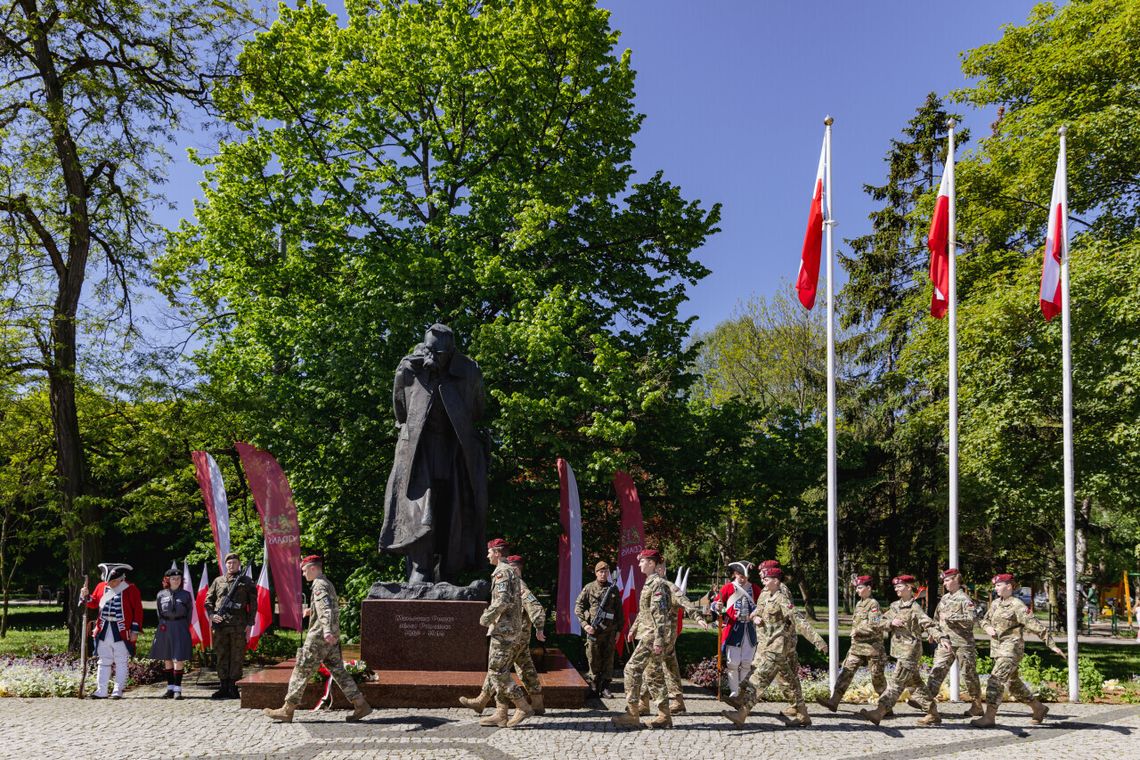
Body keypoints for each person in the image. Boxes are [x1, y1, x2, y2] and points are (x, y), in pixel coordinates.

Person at [379, 324, 488, 583]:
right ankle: (421, 569)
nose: (432, 357)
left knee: (454, 508)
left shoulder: (469, 371)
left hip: (454, 449)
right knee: (419, 509)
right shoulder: (408, 369)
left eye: (439, 353)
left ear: (451, 352)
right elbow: (400, 410)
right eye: (428, 350)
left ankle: (450, 570)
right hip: (419, 450)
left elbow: (477, 408)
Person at [265, 555, 373, 723]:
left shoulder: (319, 585)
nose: (303, 574)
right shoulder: (326, 583)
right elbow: (327, 607)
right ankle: (360, 704)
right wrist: (312, 612)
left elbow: (326, 610)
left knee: (301, 670)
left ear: (313, 568)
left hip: (319, 637)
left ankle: (287, 710)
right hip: (330, 638)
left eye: (304, 570)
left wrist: (327, 630)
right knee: (339, 671)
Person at [721, 566, 826, 728]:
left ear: (776, 581)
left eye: (766, 578)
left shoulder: (781, 598)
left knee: (759, 679)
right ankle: (803, 714)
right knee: (789, 680)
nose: (762, 580)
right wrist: (754, 617)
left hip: (777, 647)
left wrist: (818, 641)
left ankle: (741, 714)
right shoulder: (767, 595)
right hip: (767, 644)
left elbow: (798, 620)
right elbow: (758, 610)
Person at [461, 554, 547, 722]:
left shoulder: (519, 586)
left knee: (499, 670)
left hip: (513, 636)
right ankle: (534, 703)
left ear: (515, 569)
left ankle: (500, 707)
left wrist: (539, 627)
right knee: (521, 668)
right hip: (518, 635)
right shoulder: (516, 583)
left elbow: (536, 607)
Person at [856, 574, 951, 726]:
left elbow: (929, 624)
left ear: (909, 588)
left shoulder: (915, 607)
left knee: (896, 682)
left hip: (911, 651)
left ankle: (879, 712)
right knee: (916, 685)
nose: (896, 589)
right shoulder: (895, 606)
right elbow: (876, 620)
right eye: (895, 587)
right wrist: (890, 623)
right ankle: (933, 713)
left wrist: (942, 638)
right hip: (899, 650)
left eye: (899, 586)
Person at [972, 572, 1064, 728]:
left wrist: (1052, 645)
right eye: (995, 585)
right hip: (998, 649)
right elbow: (984, 620)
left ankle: (989, 717)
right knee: (1014, 685)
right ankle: (1039, 708)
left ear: (1009, 586)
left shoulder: (1017, 605)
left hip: (1011, 649)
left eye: (999, 585)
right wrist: (987, 628)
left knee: (995, 680)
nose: (996, 588)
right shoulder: (995, 603)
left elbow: (1035, 625)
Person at [467, 538, 533, 728]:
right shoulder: (510, 571)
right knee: (497, 670)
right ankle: (500, 713)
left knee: (497, 671)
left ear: (497, 553)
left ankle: (522, 705)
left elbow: (502, 600)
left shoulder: (503, 572)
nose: (487, 555)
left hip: (504, 630)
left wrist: (486, 617)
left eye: (489, 552)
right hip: (509, 629)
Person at [637, 558, 709, 723]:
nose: (660, 571)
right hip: (657, 634)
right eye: (659, 569)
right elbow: (645, 612)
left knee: (650, 666)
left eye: (662, 569)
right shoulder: (653, 585)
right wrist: (634, 628)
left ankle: (644, 702)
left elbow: (686, 603)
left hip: (665, 636)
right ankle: (677, 701)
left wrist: (697, 618)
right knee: (670, 667)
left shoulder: (670, 587)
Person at [611, 549, 671, 729]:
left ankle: (632, 713)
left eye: (642, 561)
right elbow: (645, 610)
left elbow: (660, 614)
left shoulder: (658, 584)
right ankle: (664, 715)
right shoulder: (649, 582)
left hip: (652, 635)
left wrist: (659, 640)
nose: (639, 564)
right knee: (654, 674)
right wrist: (634, 628)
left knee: (631, 669)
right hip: (647, 632)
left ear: (652, 563)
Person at [816, 575, 889, 714]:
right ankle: (834, 701)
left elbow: (875, 624)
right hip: (857, 647)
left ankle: (886, 707)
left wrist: (857, 630)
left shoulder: (873, 604)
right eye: (857, 587)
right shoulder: (859, 603)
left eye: (860, 587)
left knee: (877, 678)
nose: (857, 590)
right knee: (846, 672)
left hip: (872, 648)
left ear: (869, 588)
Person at [925, 568, 984, 718]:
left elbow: (972, 619)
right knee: (938, 669)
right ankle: (927, 702)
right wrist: (934, 633)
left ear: (956, 580)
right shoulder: (944, 599)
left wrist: (951, 616)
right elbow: (937, 617)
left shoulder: (965, 599)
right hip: (946, 641)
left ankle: (976, 705)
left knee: (968, 674)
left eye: (947, 580)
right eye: (944, 581)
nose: (944, 583)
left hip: (963, 643)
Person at [80, 563, 143, 699]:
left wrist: (134, 630)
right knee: (103, 660)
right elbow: (93, 603)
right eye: (109, 581)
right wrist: (85, 595)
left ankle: (117, 690)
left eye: (114, 581)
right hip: (103, 628)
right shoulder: (101, 587)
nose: (111, 584)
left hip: (121, 630)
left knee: (121, 660)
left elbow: (137, 611)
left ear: (122, 578)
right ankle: (101, 690)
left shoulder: (131, 589)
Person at [205, 552, 259, 699]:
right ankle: (223, 686)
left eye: (234, 563)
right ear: (225, 564)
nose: (231, 565)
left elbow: (253, 604)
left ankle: (233, 687)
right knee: (222, 654)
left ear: (239, 564)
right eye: (229, 563)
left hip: (238, 625)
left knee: (237, 656)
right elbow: (208, 601)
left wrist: (250, 623)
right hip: (220, 625)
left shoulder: (247, 581)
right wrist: (211, 615)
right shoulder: (218, 581)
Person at [713, 561, 761, 702]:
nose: (743, 578)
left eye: (745, 575)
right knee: (732, 663)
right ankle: (734, 693)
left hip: (750, 629)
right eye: (740, 575)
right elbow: (715, 604)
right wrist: (718, 605)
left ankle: (743, 694)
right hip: (734, 628)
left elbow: (762, 604)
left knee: (747, 662)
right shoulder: (728, 587)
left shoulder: (755, 589)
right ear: (735, 574)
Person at [573, 560, 622, 698]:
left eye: (606, 572)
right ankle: (594, 685)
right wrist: (585, 625)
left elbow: (619, 610)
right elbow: (578, 607)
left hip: (610, 631)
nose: (603, 574)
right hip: (594, 630)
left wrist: (619, 630)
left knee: (608, 658)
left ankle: (605, 687)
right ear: (596, 573)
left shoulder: (613, 589)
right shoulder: (589, 588)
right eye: (601, 571)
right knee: (593, 658)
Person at [150, 567, 194, 699]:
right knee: (167, 657)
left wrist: (183, 627)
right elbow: (159, 612)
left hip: (180, 626)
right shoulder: (161, 594)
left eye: (178, 578)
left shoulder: (186, 595)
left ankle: (178, 689)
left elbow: (189, 614)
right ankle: (169, 688)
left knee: (178, 657)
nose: (176, 581)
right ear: (168, 580)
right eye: (173, 579)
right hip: (165, 626)